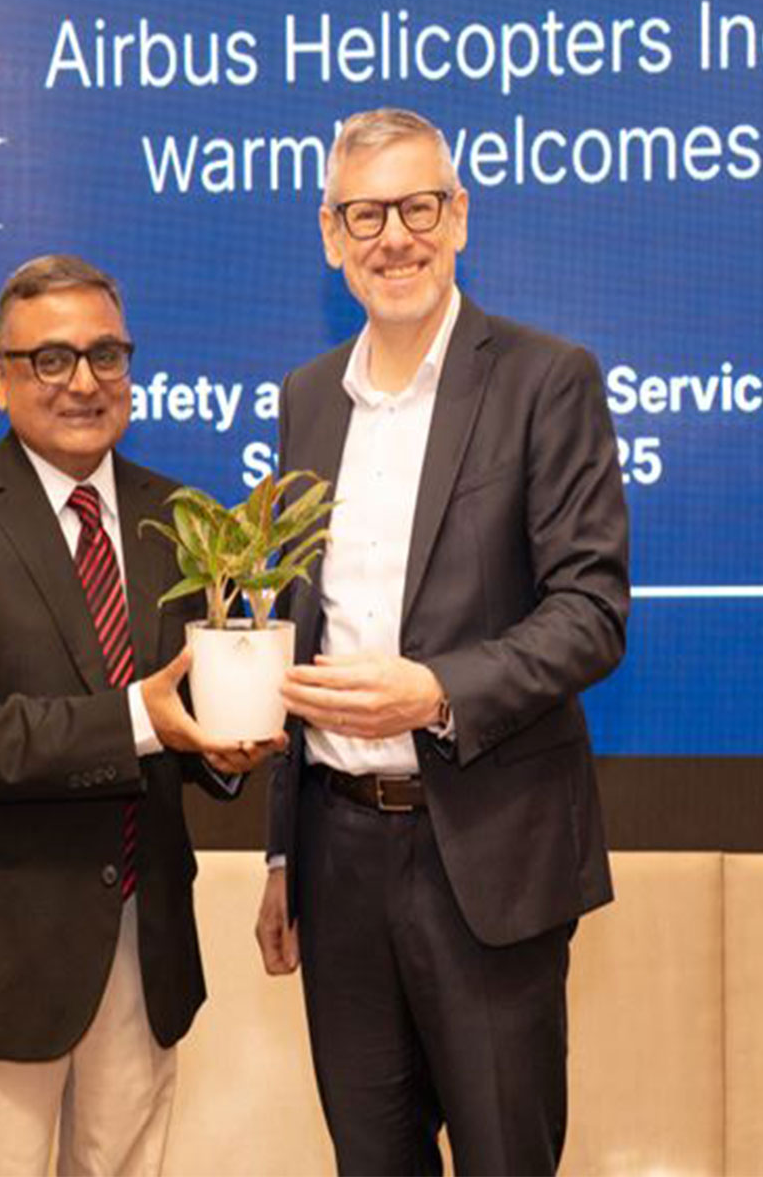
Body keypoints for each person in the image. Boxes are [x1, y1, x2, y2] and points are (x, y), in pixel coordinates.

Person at [254, 108, 631, 1176]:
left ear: (457, 215)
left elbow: (590, 609)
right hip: (336, 857)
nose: (395, 237)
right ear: (330, 234)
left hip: (488, 853)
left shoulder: (543, 378)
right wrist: (282, 850)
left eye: (418, 207)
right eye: (365, 214)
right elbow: (300, 625)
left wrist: (434, 692)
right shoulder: (306, 399)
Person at [0, 254, 277, 1177]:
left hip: (146, 938)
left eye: (106, 354)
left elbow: (195, 717)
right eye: (51, 360)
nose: (84, 381)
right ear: (0, 377)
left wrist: (232, 750)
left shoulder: (185, 519)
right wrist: (138, 720)